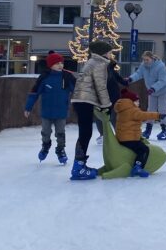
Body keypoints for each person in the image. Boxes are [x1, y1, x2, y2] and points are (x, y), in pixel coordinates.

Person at [69, 41, 114, 181]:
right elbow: (100, 86)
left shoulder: (92, 62)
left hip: (81, 100)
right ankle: (79, 167)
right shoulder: (99, 63)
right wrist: (106, 105)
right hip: (84, 101)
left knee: (85, 132)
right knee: (85, 133)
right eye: (108, 51)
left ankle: (79, 165)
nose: (110, 54)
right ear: (103, 52)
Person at [24, 52, 76, 164]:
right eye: (57, 63)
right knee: (45, 132)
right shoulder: (44, 77)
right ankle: (45, 146)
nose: (60, 65)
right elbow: (34, 93)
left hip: (61, 112)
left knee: (60, 133)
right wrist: (28, 107)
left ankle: (61, 150)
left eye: (61, 63)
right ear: (50, 65)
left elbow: (77, 91)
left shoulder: (67, 77)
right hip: (47, 112)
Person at [113, 88, 160, 178]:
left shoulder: (122, 109)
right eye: (136, 101)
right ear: (130, 102)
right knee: (144, 149)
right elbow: (144, 115)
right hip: (129, 139)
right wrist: (158, 115)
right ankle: (137, 167)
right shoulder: (133, 110)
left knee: (140, 144)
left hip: (122, 137)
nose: (138, 103)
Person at [128, 51, 166, 141]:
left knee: (162, 110)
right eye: (144, 60)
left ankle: (165, 131)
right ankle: (148, 130)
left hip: (165, 90)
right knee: (150, 110)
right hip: (152, 91)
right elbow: (138, 74)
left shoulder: (160, 66)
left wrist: (153, 88)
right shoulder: (143, 66)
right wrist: (131, 79)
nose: (145, 61)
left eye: (147, 60)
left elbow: (163, 81)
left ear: (152, 59)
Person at [96, 51, 129, 142]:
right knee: (101, 116)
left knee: (114, 117)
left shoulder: (110, 68)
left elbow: (117, 78)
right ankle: (103, 135)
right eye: (108, 53)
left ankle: (119, 135)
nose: (110, 55)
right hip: (102, 96)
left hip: (113, 96)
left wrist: (126, 82)